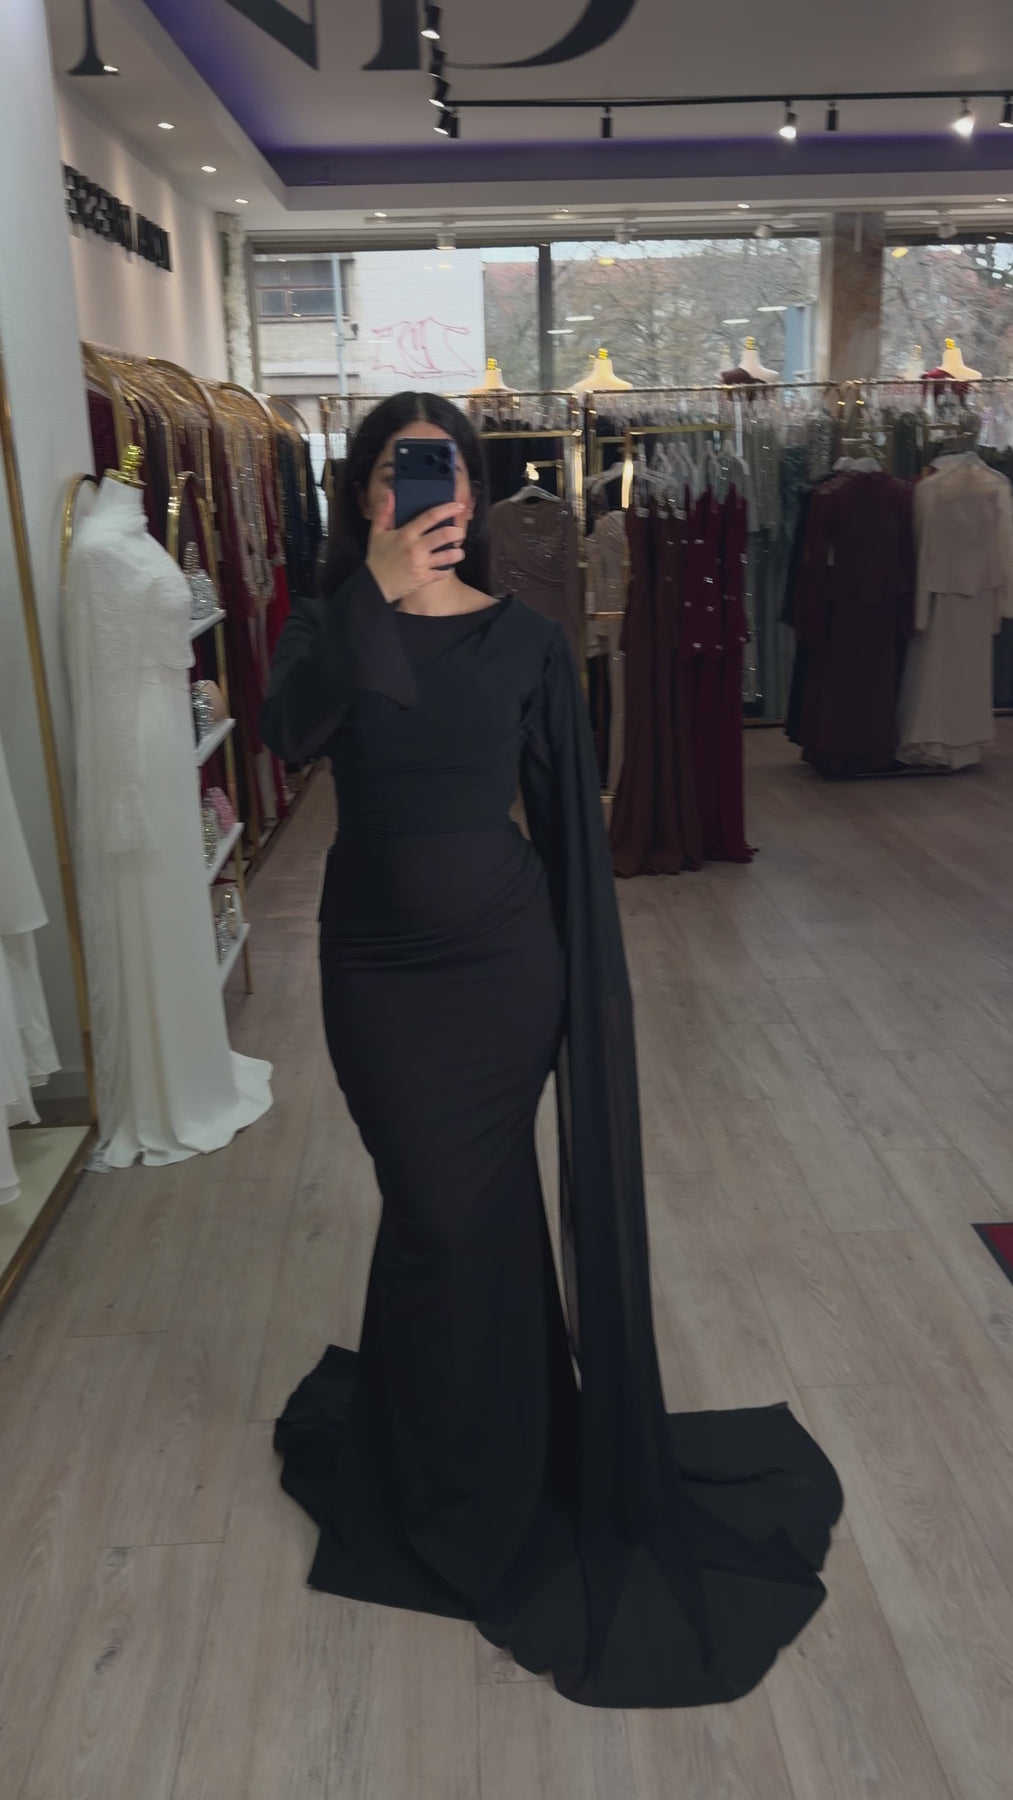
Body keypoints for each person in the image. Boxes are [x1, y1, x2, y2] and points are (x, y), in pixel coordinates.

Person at [261, 391, 842, 1709]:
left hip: (502, 969)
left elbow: (566, 818)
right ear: (365, 494)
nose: (427, 494)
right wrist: (373, 595)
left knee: (461, 1216)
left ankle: (479, 1467)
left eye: (447, 472)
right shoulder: (326, 626)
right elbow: (288, 734)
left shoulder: (524, 640)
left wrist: (588, 986)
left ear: (474, 493)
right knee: (436, 1211)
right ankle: (448, 1458)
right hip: (375, 974)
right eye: (401, 472)